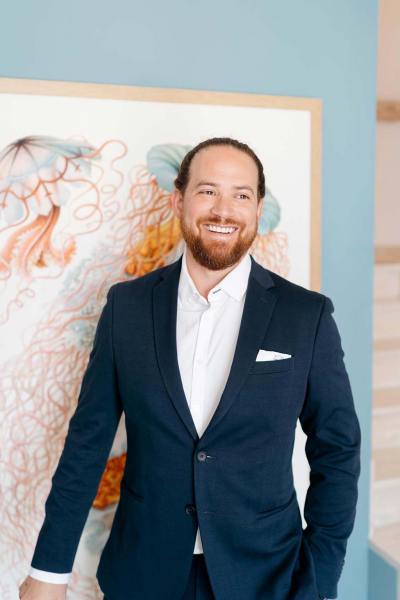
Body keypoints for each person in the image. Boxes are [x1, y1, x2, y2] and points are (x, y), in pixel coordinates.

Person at [19, 137, 361, 600]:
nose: (224, 210)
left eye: (241, 195)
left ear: (258, 208)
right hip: (143, 573)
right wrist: (49, 572)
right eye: (207, 191)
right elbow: (86, 445)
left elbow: (337, 450)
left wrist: (318, 578)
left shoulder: (307, 316)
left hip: (267, 576)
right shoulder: (127, 307)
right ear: (179, 200)